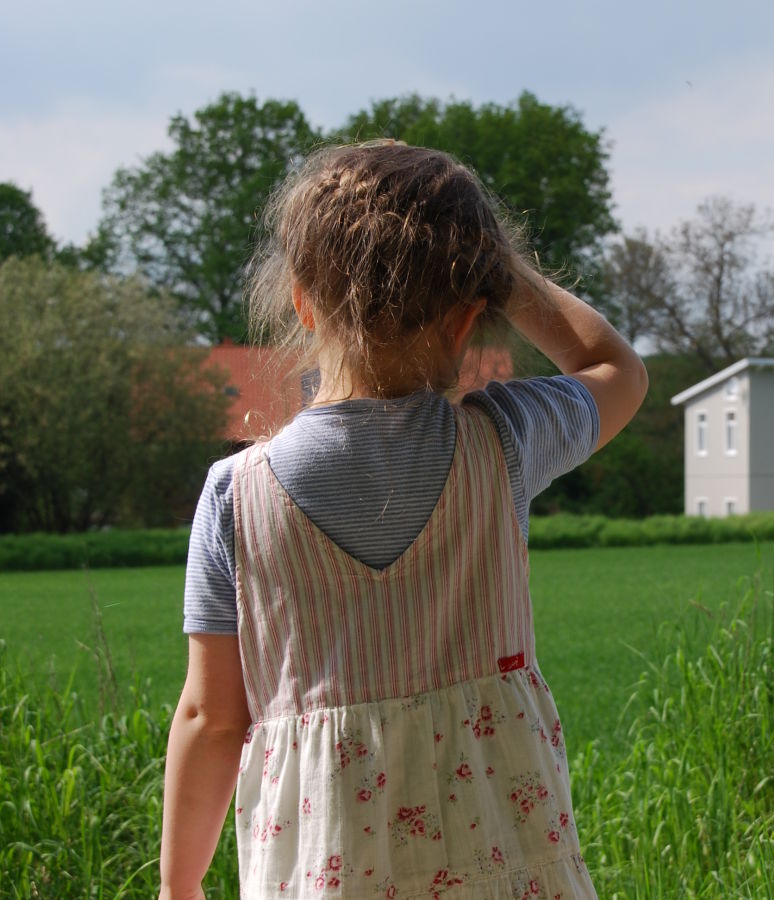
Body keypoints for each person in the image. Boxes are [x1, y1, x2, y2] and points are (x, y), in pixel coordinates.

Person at [159, 141, 648, 899]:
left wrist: (177, 886)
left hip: (327, 870)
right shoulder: (504, 443)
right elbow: (617, 370)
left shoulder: (234, 499)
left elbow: (211, 719)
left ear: (302, 303)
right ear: (466, 320)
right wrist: (508, 277)